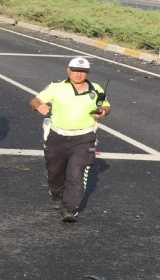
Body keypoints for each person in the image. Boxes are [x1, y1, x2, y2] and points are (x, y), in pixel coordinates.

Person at [29, 57, 111, 223]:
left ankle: (70, 209)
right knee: (54, 171)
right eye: (75, 70)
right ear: (68, 70)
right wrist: (39, 106)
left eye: (82, 71)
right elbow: (35, 100)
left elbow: (106, 105)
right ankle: (57, 194)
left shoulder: (96, 89)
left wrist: (102, 112)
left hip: (84, 138)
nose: (78, 74)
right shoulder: (56, 87)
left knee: (76, 173)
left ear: (87, 73)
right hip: (57, 136)